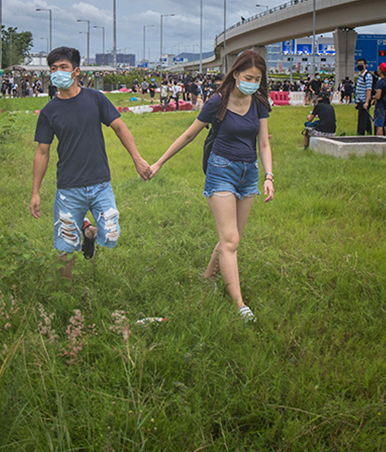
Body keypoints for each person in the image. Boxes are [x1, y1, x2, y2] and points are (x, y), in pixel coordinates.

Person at [149, 50, 274, 322]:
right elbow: (189, 135)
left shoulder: (259, 103)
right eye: (247, 77)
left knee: (231, 239)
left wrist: (269, 176)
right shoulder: (218, 101)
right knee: (230, 240)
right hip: (221, 170)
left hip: (248, 173)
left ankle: (207, 279)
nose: (252, 82)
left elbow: (263, 142)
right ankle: (240, 305)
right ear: (236, 74)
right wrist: (159, 163)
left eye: (257, 78)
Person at [29, 47, 152, 279]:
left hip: (100, 184)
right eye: (53, 69)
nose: (57, 73)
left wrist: (137, 159)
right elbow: (42, 152)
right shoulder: (49, 111)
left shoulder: (95, 99)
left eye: (63, 68)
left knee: (112, 234)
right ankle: (67, 295)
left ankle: (89, 230)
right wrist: (35, 192)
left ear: (76, 71)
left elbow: (119, 127)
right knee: (65, 248)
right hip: (68, 188)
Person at [354, 59, 373, 135]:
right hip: (359, 101)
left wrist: (367, 102)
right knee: (366, 118)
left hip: (364, 101)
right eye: (358, 64)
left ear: (365, 65)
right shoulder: (360, 76)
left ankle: (360, 133)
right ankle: (369, 131)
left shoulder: (367, 76)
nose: (360, 66)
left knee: (362, 119)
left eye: (361, 64)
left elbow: (369, 90)